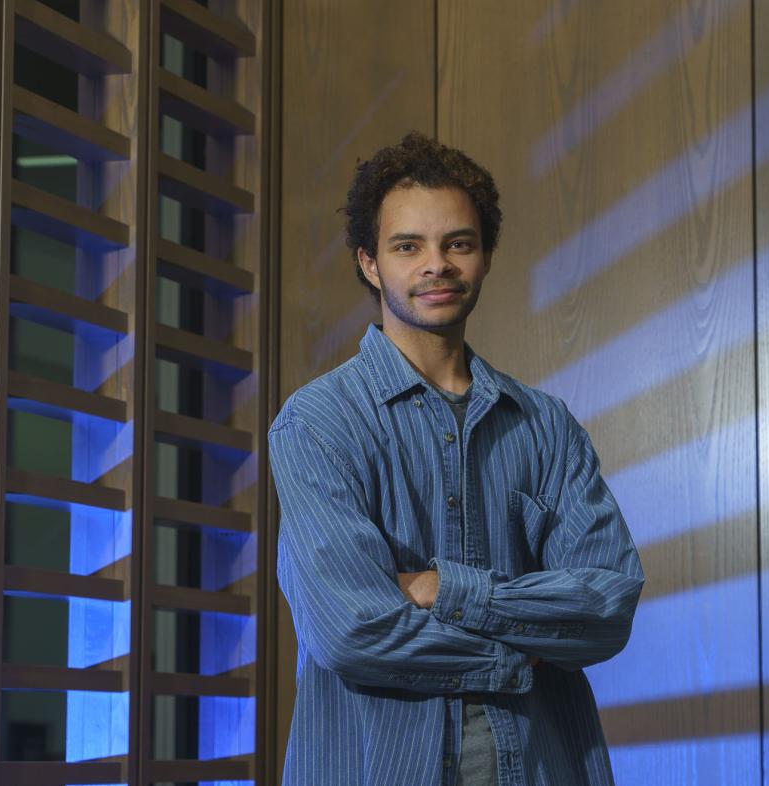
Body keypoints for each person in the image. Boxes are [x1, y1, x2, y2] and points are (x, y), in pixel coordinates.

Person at [269, 132, 644, 786]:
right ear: (369, 263)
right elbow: (350, 630)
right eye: (407, 246)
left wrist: (445, 589)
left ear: (487, 256)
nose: (435, 264)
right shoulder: (317, 423)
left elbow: (605, 606)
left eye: (458, 243)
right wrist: (516, 658)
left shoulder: (545, 425)